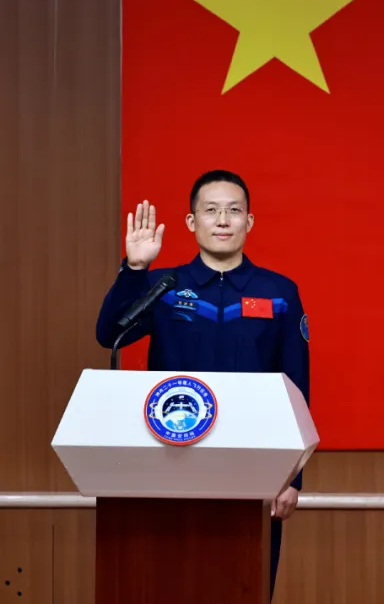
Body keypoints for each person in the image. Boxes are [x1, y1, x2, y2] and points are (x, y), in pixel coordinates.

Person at [95, 169, 309, 600]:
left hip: (255, 465)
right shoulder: (163, 287)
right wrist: (134, 269)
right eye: (211, 210)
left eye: (234, 210)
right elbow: (108, 334)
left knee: (247, 583)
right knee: (171, 583)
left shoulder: (280, 292)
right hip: (170, 459)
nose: (223, 220)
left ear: (249, 220)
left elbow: (296, 388)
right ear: (192, 222)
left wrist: (293, 477)